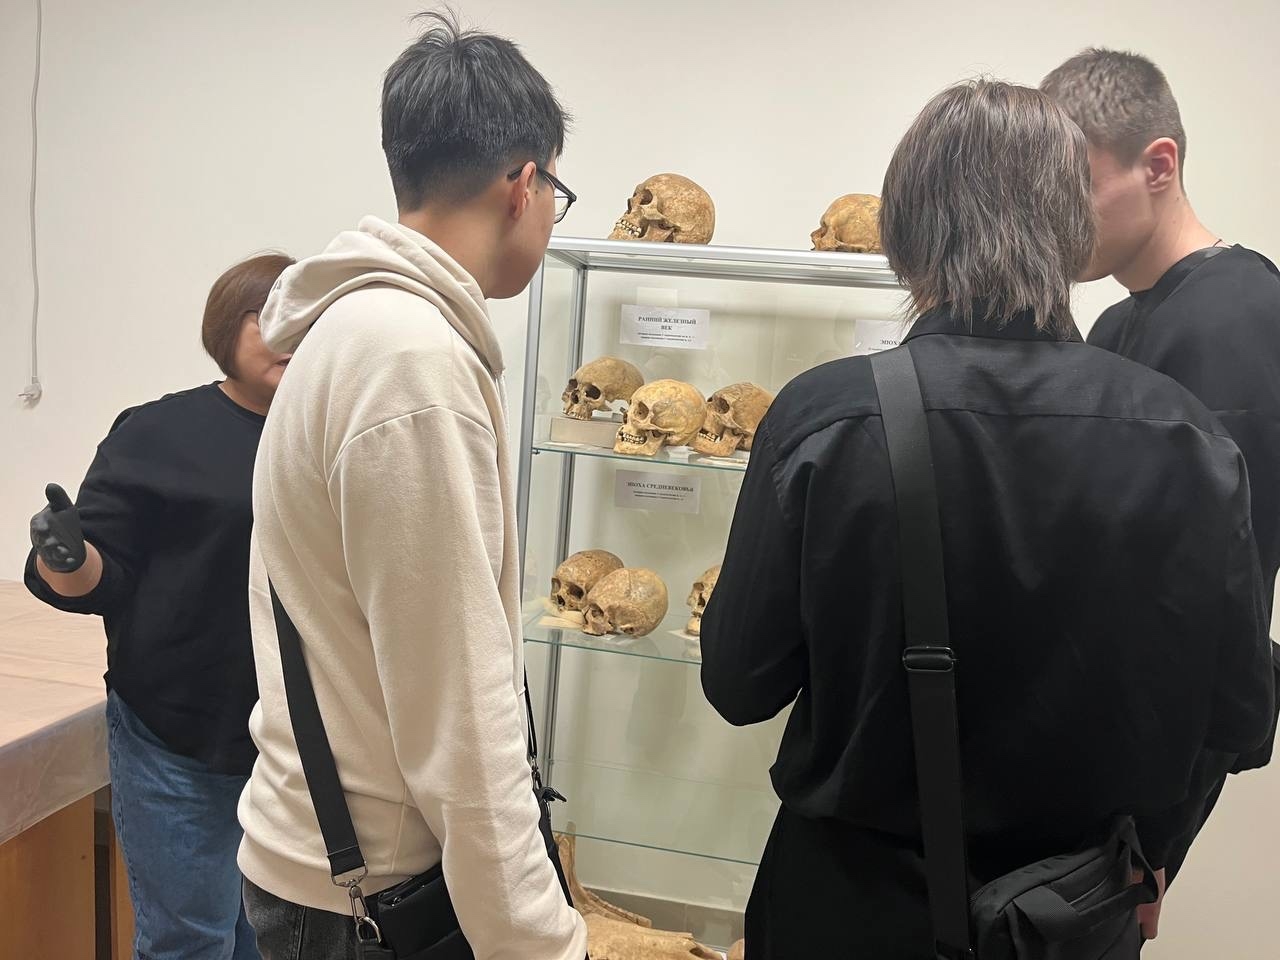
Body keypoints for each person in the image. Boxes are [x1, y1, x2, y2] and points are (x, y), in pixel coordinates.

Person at [699, 80, 1275, 959]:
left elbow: (739, 685)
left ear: (904, 235)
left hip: (847, 908)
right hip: (1068, 915)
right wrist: (1146, 853)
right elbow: (1236, 717)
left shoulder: (826, 420)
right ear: (1071, 228)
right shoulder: (1188, 437)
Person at [236, 14, 586, 960]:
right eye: (556, 194)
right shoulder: (411, 365)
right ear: (523, 185)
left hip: (332, 864)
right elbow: (460, 712)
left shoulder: (356, 331)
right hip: (371, 896)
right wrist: (541, 942)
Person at [1042, 47, 1280, 884]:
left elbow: (1220, 607)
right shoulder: (1117, 325)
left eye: (1077, 186)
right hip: (1088, 760)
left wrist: (1152, 847)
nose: (1056, 218)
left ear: (1158, 165)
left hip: (1137, 804)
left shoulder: (1237, 321)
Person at [25, 252, 295, 960]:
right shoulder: (157, 433)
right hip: (174, 732)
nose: (288, 335)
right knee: (190, 940)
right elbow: (101, 578)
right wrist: (67, 557)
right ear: (225, 328)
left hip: (294, 741)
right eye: (265, 317)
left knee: (269, 939)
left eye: (304, 318)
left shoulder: (331, 433)